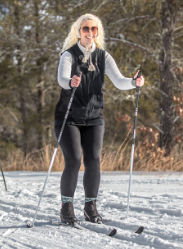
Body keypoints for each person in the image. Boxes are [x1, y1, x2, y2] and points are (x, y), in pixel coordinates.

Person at [55, 14, 144, 224]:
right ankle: (66, 207)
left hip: (94, 117)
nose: (90, 33)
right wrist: (71, 82)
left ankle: (90, 206)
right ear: (78, 31)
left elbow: (120, 81)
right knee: (74, 159)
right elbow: (61, 79)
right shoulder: (68, 55)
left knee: (93, 160)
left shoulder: (103, 56)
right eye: (85, 29)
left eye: (94, 29)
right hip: (68, 117)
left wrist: (134, 82)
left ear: (98, 32)